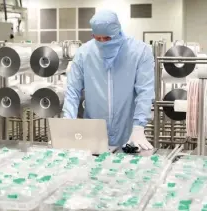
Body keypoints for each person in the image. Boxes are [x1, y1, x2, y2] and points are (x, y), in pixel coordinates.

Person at [62, 10, 155, 150]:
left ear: (117, 32)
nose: (102, 43)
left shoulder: (140, 52)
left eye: (107, 38)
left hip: (128, 133)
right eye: (97, 38)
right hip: (93, 133)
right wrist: (68, 122)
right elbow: (72, 91)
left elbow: (145, 92)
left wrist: (138, 127)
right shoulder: (84, 53)